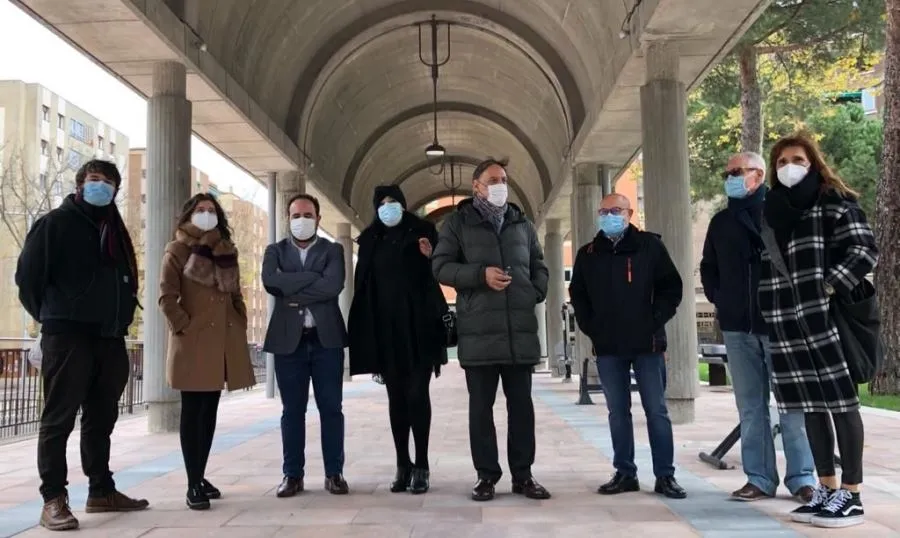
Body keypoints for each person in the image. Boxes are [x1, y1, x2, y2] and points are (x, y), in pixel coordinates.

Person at [15, 159, 149, 531]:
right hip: (68, 335)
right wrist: (53, 316)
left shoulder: (113, 229)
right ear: (80, 184)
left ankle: (101, 490)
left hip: (109, 336)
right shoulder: (55, 224)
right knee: (58, 419)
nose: (101, 186)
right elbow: (27, 279)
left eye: (108, 182)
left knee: (101, 418)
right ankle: (53, 499)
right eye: (94, 180)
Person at [758, 134, 877, 528]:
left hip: (826, 320)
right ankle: (825, 487)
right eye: (781, 161)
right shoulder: (772, 210)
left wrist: (827, 286)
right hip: (785, 322)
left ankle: (853, 493)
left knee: (842, 404)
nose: (789, 166)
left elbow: (863, 250)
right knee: (808, 405)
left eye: (797, 159)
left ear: (813, 163)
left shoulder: (835, 203)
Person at [700, 152, 817, 503]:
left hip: (780, 325)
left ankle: (802, 479)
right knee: (750, 407)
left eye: (738, 171)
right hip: (738, 328)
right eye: (728, 171)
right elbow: (709, 267)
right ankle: (760, 478)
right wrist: (721, 298)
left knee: (792, 407)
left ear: (759, 174)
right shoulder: (721, 222)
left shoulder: (781, 212)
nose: (731, 177)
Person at [432, 157, 551, 502]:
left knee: (522, 408)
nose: (500, 185)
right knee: (480, 410)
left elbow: (539, 264)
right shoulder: (456, 224)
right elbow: (440, 267)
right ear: (477, 186)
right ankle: (486, 476)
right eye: (493, 179)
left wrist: (533, 290)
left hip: (519, 332)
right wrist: (479, 275)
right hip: (479, 332)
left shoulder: (522, 224)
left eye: (504, 179)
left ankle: (523, 475)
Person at [567, 193, 687, 500]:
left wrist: (655, 318)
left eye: (616, 210)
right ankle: (625, 472)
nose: (609, 215)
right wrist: (591, 326)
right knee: (617, 412)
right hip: (608, 346)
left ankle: (665, 475)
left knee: (656, 410)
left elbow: (671, 287)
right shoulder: (588, 253)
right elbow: (577, 293)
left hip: (647, 344)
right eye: (604, 211)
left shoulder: (650, 246)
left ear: (629, 213)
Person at [158, 193, 257, 510]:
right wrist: (183, 326)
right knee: (193, 412)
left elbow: (235, 293)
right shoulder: (176, 250)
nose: (205, 214)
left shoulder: (225, 250)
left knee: (209, 412)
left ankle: (199, 475)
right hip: (192, 341)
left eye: (211, 210)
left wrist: (240, 319)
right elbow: (166, 296)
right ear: (188, 215)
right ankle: (192, 483)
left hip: (221, 342)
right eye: (200, 210)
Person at [348, 185, 448, 494]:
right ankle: (402, 464)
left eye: (394, 202)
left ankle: (422, 464)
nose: (388, 207)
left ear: (404, 205)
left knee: (418, 394)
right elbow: (362, 286)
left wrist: (431, 257)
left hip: (419, 329)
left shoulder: (423, 231)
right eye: (382, 202)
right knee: (397, 399)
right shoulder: (369, 239)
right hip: (385, 330)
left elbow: (442, 272)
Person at [262, 193, 349, 497]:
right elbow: (271, 282)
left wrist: (293, 289)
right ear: (288, 219)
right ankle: (292, 475)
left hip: (326, 342)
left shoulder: (334, 250)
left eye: (308, 215)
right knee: (292, 411)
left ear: (318, 219)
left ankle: (334, 473)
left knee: (331, 408)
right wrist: (313, 279)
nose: (302, 220)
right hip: (290, 343)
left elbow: (334, 285)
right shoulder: (274, 251)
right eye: (296, 215)